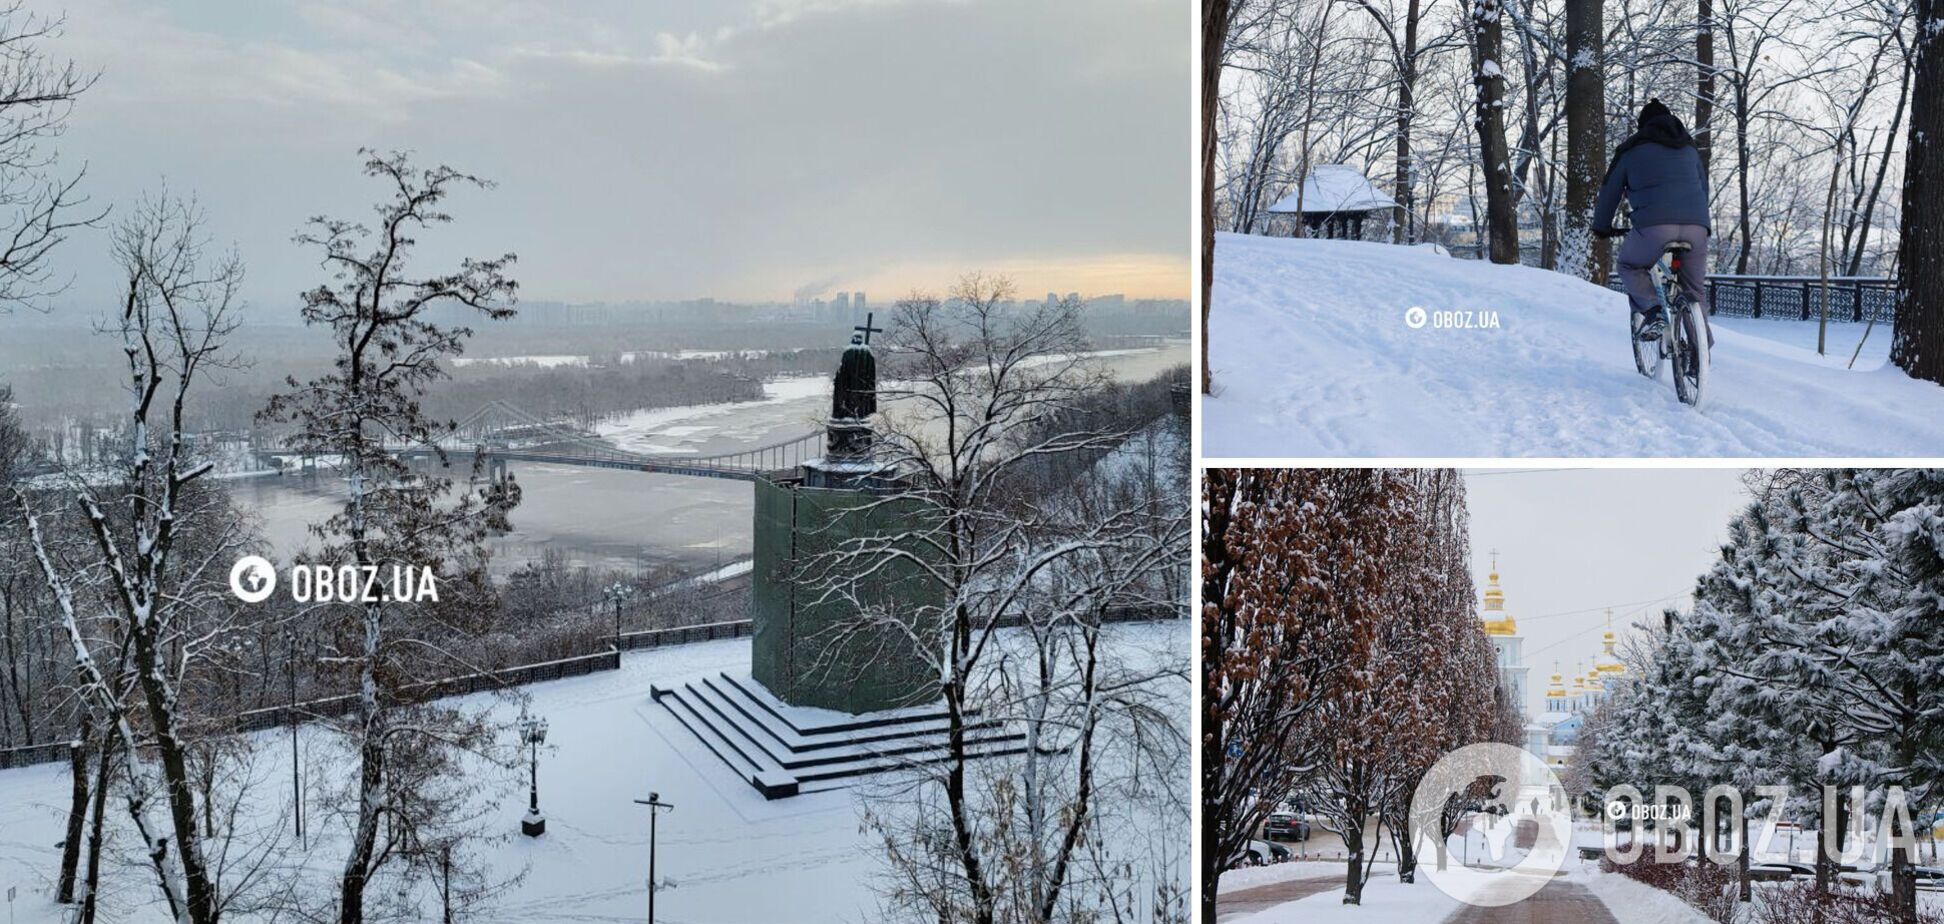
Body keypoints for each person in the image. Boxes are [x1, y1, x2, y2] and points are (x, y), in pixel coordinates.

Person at [1592, 99, 1710, 341]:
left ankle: (1654, 310)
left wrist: (1602, 227)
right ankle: (1700, 353)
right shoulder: (1689, 148)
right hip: (1697, 227)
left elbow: (1609, 192)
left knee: (1629, 265)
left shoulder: (1630, 150)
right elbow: (1703, 188)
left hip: (1654, 227)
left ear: (1642, 125)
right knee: (1694, 290)